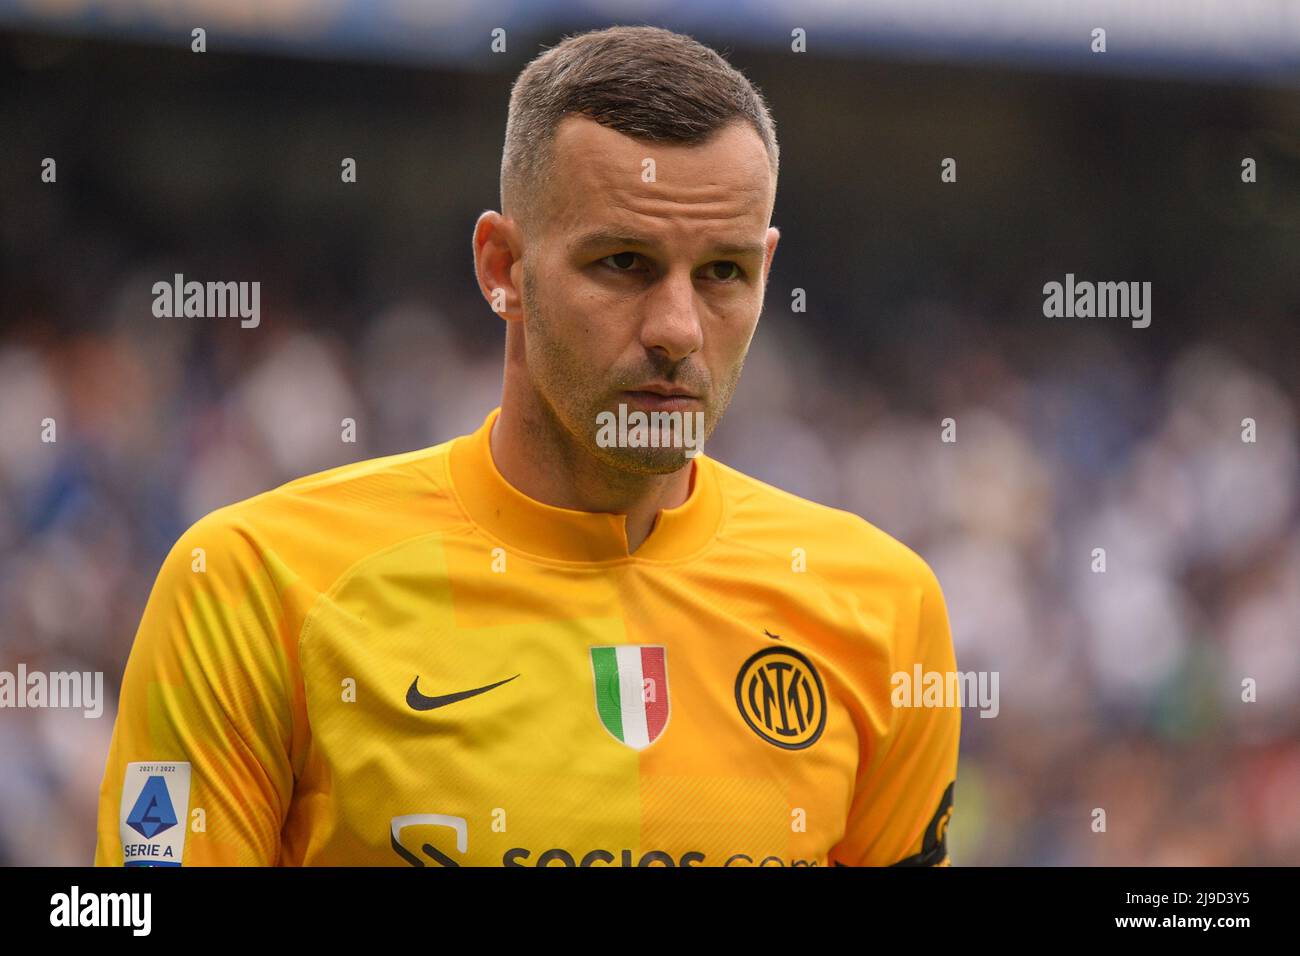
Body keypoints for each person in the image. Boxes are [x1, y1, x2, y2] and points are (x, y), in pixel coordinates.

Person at [95, 24, 958, 867]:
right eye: (623, 262)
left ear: (766, 269)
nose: (677, 329)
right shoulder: (253, 585)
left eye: (723, 272)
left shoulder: (880, 607)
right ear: (502, 267)